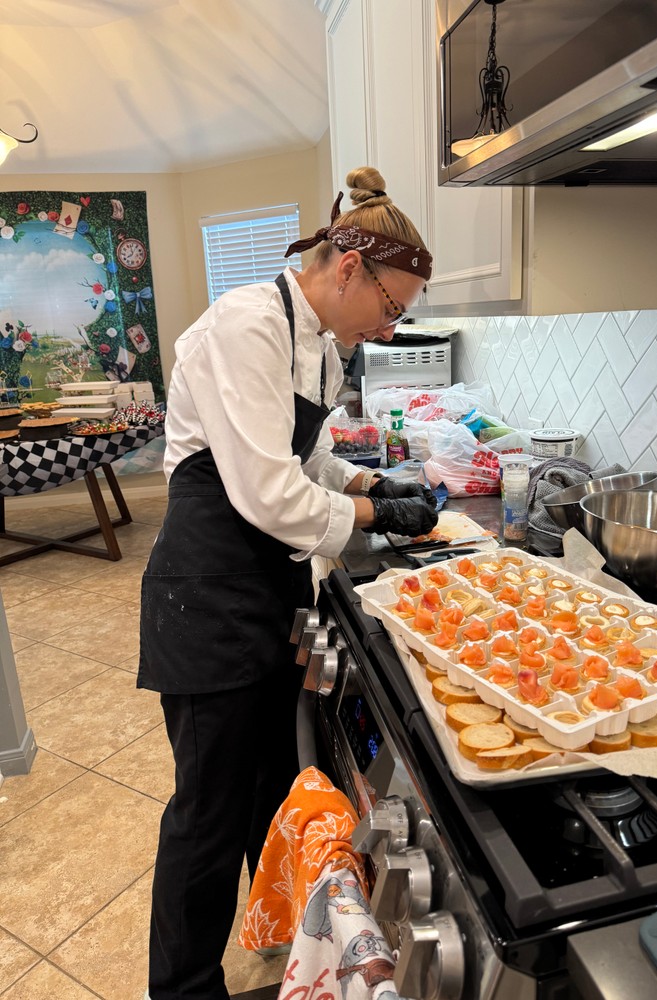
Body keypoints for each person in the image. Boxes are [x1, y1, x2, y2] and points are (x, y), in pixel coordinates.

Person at [138, 165, 438, 1000]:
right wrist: (376, 520)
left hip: (271, 590)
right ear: (350, 268)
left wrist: (374, 487)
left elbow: (304, 460)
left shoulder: (324, 348)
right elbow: (268, 493)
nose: (389, 326)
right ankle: (184, 987)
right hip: (204, 597)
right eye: (391, 306)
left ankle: (276, 935)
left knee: (275, 788)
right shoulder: (247, 325)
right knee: (208, 813)